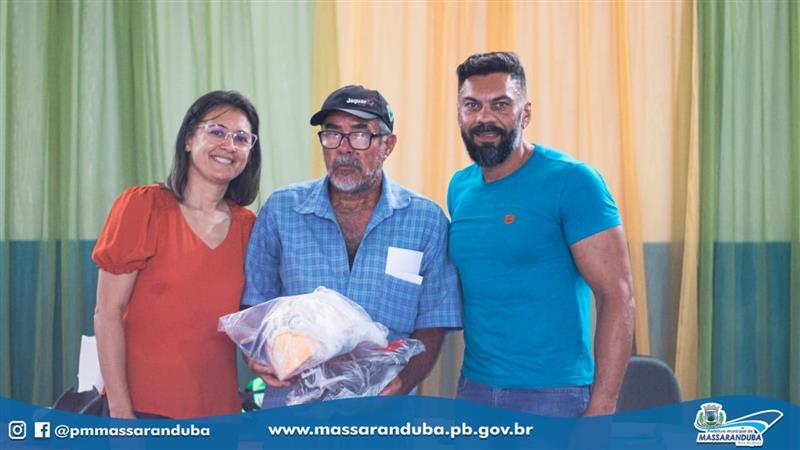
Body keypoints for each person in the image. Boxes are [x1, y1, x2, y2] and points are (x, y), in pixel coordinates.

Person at [242, 85, 462, 407]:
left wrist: (403, 383)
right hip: (294, 407)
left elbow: (433, 320)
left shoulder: (425, 220)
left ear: (388, 145)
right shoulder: (281, 210)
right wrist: (255, 351)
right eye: (332, 134)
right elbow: (255, 301)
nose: (344, 148)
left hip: (381, 410)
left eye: (360, 135)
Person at [447, 52, 635, 417]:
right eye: (472, 106)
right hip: (474, 390)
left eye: (500, 104)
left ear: (525, 113)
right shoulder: (459, 187)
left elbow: (617, 296)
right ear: (460, 114)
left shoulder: (573, 181)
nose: (484, 118)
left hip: (555, 395)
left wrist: (602, 406)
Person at [92, 90, 262, 419]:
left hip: (219, 415)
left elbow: (249, 325)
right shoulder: (143, 206)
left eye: (241, 138)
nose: (229, 145)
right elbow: (107, 313)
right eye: (217, 132)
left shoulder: (248, 226)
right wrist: (120, 412)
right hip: (142, 412)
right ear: (188, 139)